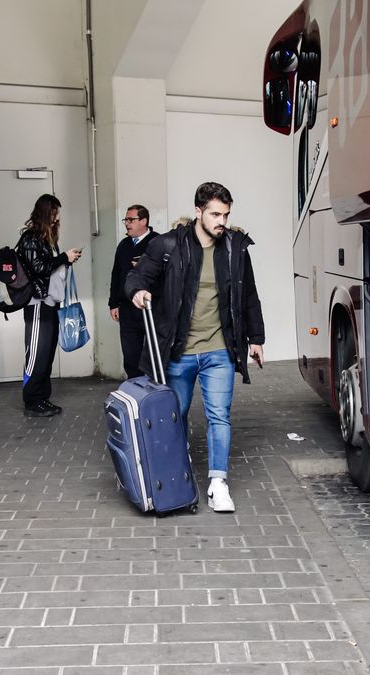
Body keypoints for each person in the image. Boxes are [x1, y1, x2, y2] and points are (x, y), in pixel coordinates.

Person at [125, 182, 265, 512]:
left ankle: (218, 484)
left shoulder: (235, 248)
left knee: (220, 416)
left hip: (220, 351)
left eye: (226, 215)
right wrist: (137, 291)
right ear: (198, 212)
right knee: (177, 416)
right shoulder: (168, 245)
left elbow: (249, 296)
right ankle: (177, 474)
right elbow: (137, 277)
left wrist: (256, 339)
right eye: (215, 214)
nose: (222, 222)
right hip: (179, 352)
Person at [16, 194, 83, 418]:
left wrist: (65, 258)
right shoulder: (31, 237)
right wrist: (64, 257)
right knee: (36, 353)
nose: (57, 218)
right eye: (55, 213)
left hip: (50, 302)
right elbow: (38, 268)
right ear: (47, 212)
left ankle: (42, 398)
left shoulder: (46, 238)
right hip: (37, 303)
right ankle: (32, 400)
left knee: (46, 353)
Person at [108, 204, 159, 378]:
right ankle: (135, 392)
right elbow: (116, 275)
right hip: (127, 308)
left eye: (131, 220)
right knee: (130, 354)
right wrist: (113, 303)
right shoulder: (123, 245)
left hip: (152, 308)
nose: (127, 223)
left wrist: (145, 267)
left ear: (144, 221)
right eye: (126, 220)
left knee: (154, 353)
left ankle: (156, 391)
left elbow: (168, 274)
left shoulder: (157, 242)